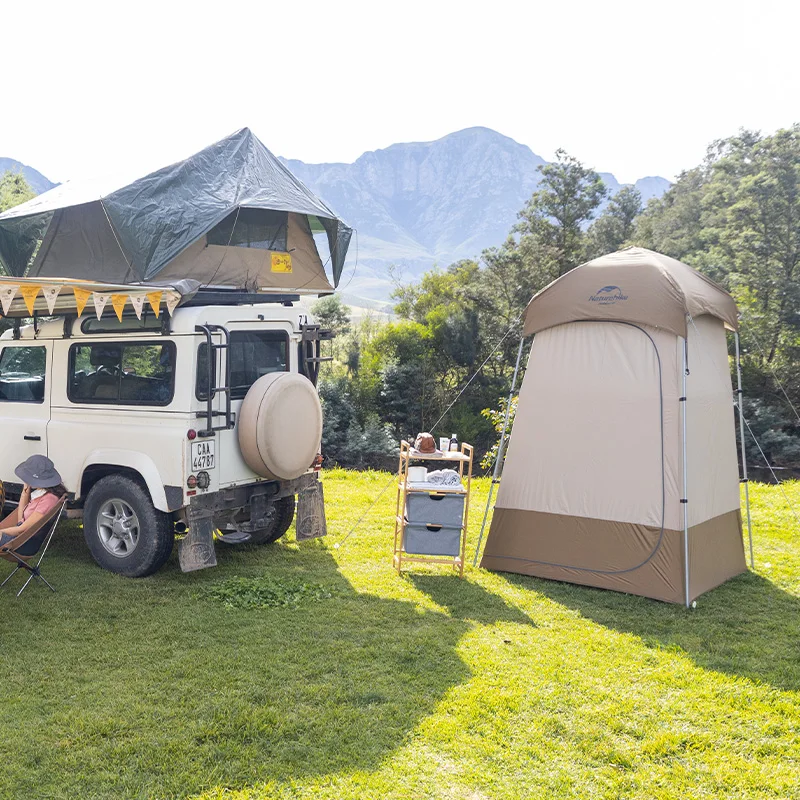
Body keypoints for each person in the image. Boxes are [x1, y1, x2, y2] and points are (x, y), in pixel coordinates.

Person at [0, 455, 66, 547]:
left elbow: (21, 529)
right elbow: (20, 521)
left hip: (22, 542)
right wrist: (25, 492)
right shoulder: (43, 495)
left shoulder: (48, 500)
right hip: (20, 537)